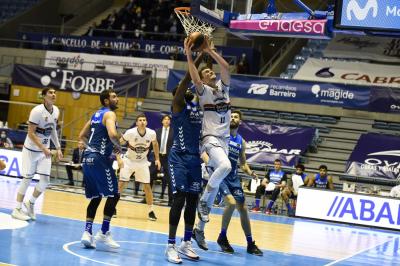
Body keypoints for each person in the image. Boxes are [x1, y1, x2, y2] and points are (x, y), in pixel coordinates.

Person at [193, 110, 263, 256]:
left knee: (243, 208)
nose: (233, 118)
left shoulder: (241, 141)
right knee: (230, 203)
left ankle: (250, 243)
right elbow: (204, 152)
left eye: (236, 117)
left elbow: (243, 164)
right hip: (220, 174)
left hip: (233, 177)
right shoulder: (220, 135)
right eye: (231, 116)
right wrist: (211, 164)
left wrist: (251, 173)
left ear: (240, 122)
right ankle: (222, 237)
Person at [186, 36, 232, 224]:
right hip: (210, 138)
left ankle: (200, 228)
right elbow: (194, 77)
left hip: (224, 140)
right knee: (226, 166)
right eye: (206, 71)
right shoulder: (203, 91)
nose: (209, 72)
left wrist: (209, 50)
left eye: (210, 70)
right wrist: (190, 56)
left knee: (218, 178)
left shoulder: (223, 88)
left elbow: (226, 67)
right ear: (203, 78)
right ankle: (203, 202)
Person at [165, 50, 204, 264]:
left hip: (194, 159)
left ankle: (185, 242)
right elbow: (189, 78)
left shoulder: (196, 105)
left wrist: (208, 55)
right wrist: (195, 57)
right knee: (179, 199)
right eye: (182, 89)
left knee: (192, 202)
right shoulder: (178, 105)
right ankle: (170, 245)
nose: (187, 90)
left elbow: (198, 81)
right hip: (178, 158)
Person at [79, 89, 122, 250]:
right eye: (114, 97)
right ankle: (104, 232)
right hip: (99, 159)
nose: (117, 99)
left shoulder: (95, 115)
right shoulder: (110, 114)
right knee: (115, 194)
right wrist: (119, 144)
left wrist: (93, 148)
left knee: (96, 197)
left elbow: (82, 135)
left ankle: (87, 233)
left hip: (88, 158)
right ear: (106, 101)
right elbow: (112, 133)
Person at [11, 87, 63, 221]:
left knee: (45, 181)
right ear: (44, 96)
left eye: (54, 92)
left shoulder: (56, 111)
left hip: (44, 151)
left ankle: (30, 203)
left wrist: (58, 147)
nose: (53, 94)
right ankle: (17, 209)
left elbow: (52, 131)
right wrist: (43, 148)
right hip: (31, 151)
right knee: (27, 179)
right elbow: (31, 133)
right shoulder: (37, 111)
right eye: (50, 93)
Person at [118, 114, 161, 221]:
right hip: (128, 160)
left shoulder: (151, 133)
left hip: (142, 162)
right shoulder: (130, 132)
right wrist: (118, 158)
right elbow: (117, 144)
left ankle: (151, 211)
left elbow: (155, 145)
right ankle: (112, 207)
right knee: (121, 184)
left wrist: (157, 159)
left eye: (144, 120)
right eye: (140, 120)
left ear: (146, 122)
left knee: (147, 186)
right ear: (137, 123)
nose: (142, 121)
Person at [155, 114, 173, 205]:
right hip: (157, 157)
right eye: (165, 119)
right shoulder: (157, 131)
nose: (166, 120)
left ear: (170, 121)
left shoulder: (174, 132)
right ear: (162, 121)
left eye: (168, 119)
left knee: (170, 179)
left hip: (168, 157)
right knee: (150, 175)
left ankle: (171, 200)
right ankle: (146, 198)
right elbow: (153, 144)